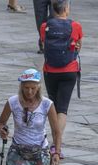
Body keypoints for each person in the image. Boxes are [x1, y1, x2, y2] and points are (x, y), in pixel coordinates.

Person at [40, 0, 82, 157]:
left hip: (50, 71)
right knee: (62, 109)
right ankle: (56, 145)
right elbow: (78, 46)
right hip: (69, 71)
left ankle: (52, 143)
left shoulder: (45, 26)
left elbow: (45, 45)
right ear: (66, 9)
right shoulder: (76, 26)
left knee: (53, 107)